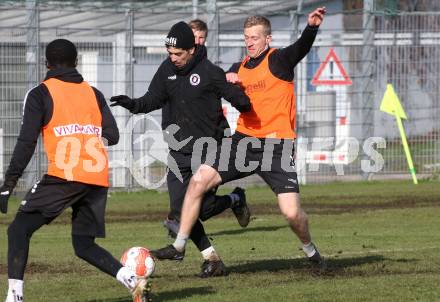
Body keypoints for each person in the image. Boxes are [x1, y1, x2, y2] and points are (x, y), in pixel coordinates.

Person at [152, 8, 328, 271]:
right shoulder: (239, 68)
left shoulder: (279, 60)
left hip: (276, 148)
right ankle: (178, 246)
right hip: (243, 143)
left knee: (292, 214)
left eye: (255, 38)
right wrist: (225, 77)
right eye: (246, 37)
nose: (249, 42)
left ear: (267, 39)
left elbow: (301, 47)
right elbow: (210, 80)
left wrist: (311, 27)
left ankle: (310, 249)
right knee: (198, 181)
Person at [0, 39, 150, 302]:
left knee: (18, 230)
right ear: (76, 62)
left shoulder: (41, 93)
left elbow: (26, 142)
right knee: (83, 245)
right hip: (96, 178)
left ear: (46, 64)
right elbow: (113, 135)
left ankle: (15, 297)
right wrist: (85, 132)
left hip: (64, 176)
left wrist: (8, 183)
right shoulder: (93, 93)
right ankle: (131, 279)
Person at [110, 21, 251, 277]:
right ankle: (213, 259)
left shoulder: (210, 72)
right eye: (170, 53)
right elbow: (152, 99)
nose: (173, 58)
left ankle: (235, 199)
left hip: (210, 149)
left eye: (178, 54)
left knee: (203, 208)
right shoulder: (166, 70)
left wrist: (245, 98)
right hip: (178, 152)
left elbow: (240, 100)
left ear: (192, 50)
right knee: (179, 209)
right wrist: (131, 104)